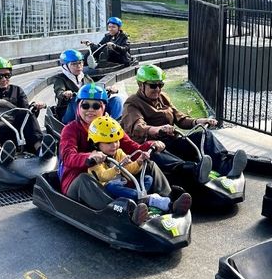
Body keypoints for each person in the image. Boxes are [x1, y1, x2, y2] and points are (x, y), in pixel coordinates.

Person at [59, 83, 186, 225]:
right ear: (78, 107)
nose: (90, 110)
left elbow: (133, 148)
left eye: (96, 106)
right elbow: (67, 157)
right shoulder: (71, 130)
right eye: (85, 106)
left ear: (103, 107)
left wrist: (150, 146)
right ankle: (124, 214)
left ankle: (168, 202)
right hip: (79, 181)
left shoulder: (110, 125)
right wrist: (88, 158)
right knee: (85, 179)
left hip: (111, 176)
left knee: (148, 163)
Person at [121, 64, 247, 185]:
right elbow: (138, 126)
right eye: (153, 86)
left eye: (160, 85)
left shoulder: (162, 97)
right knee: (155, 155)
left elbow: (180, 119)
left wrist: (199, 121)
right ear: (140, 85)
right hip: (153, 146)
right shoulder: (132, 103)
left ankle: (227, 166)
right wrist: (158, 129)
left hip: (171, 141)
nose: (158, 89)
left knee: (205, 135)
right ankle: (195, 170)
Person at [87, 116, 191, 216]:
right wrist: (119, 166)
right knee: (112, 186)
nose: (114, 145)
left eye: (116, 141)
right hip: (108, 191)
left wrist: (139, 161)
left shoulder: (118, 152)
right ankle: (153, 201)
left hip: (124, 187)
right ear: (96, 143)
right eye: (109, 142)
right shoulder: (95, 159)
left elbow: (130, 170)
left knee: (148, 179)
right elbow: (103, 176)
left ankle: (143, 200)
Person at [52, 49, 123, 122]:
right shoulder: (60, 79)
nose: (79, 66)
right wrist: (65, 94)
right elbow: (59, 92)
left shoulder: (86, 78)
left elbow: (94, 92)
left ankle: (116, 125)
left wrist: (107, 91)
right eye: (74, 64)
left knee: (116, 100)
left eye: (80, 63)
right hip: (68, 112)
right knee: (76, 101)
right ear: (65, 66)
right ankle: (80, 128)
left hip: (89, 109)